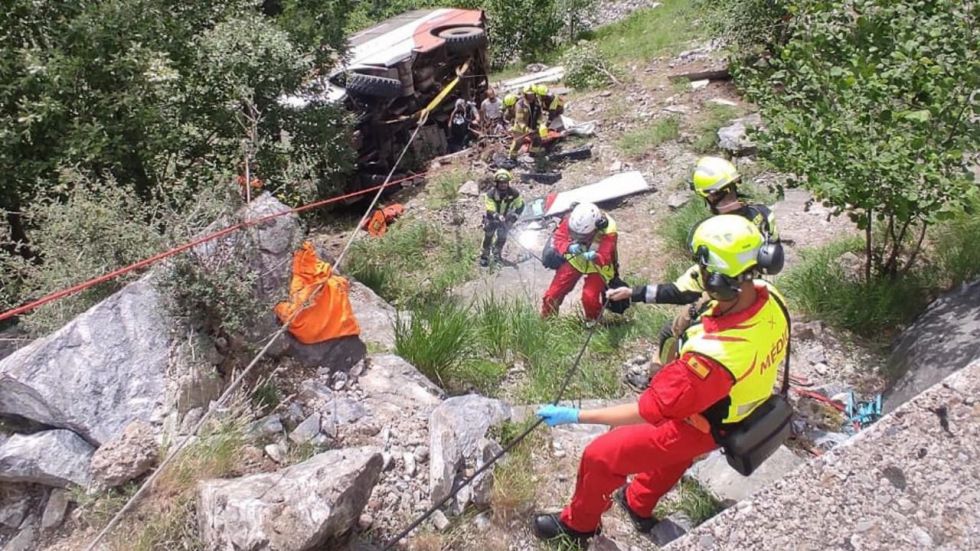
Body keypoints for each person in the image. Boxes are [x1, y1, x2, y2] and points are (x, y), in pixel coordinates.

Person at [530, 215, 791, 544]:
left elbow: (647, 410)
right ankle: (638, 502)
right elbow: (685, 290)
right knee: (674, 459)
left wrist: (575, 416)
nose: (699, 274)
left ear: (721, 281)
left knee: (601, 455)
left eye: (705, 270)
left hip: (700, 419)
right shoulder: (770, 296)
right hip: (732, 415)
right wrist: (637, 293)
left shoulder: (713, 356)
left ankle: (578, 526)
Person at [606, 156, 784, 380]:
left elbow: (682, 290)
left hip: (727, 299)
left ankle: (658, 381)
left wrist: (634, 293)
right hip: (759, 291)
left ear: (710, 195)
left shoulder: (713, 235)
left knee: (669, 332)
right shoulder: (764, 215)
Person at [541, 202, 618, 321]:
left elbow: (606, 256)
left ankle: (593, 321)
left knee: (589, 297)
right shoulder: (571, 219)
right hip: (575, 260)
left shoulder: (608, 230)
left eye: (582, 236)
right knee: (551, 295)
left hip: (598, 267)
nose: (577, 238)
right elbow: (559, 238)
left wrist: (595, 256)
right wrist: (568, 247)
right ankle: (546, 322)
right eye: (575, 234)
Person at [480, 169, 525, 267]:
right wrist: (497, 216)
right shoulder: (490, 194)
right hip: (492, 219)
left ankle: (496, 254)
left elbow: (520, 206)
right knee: (488, 237)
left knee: (502, 237)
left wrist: (513, 219)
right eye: (501, 183)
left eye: (505, 183)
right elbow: (490, 209)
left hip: (506, 220)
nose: (503, 185)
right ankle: (485, 256)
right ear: (497, 183)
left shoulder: (514, 193)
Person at [509, 86, 549, 159]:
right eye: (528, 94)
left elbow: (540, 115)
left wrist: (537, 126)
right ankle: (512, 157)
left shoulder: (538, 102)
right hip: (520, 128)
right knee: (518, 142)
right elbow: (520, 120)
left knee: (537, 139)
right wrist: (526, 129)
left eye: (532, 94)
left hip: (533, 126)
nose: (531, 96)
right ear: (525, 94)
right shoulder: (520, 104)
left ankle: (533, 155)